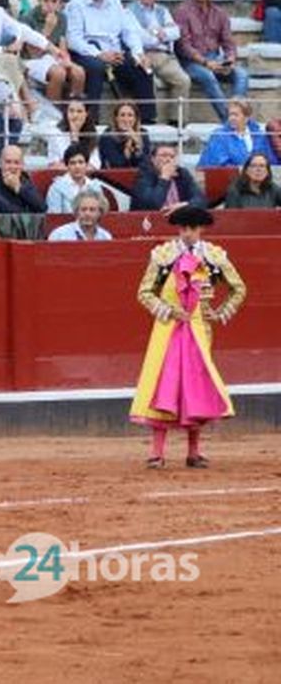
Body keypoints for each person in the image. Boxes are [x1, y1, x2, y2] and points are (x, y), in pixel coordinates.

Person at [129, 205, 245, 469]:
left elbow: (239, 288)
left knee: (196, 386)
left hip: (200, 329)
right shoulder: (164, 255)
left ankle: (194, 452)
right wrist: (170, 311)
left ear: (201, 228)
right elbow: (144, 292)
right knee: (164, 385)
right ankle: (157, 453)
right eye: (182, 228)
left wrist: (220, 313)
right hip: (168, 328)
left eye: (192, 228)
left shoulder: (214, 256)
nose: (187, 233)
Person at [65, 0, 155, 123]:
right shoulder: (76, 6)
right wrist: (100, 54)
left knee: (143, 67)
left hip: (115, 53)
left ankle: (147, 120)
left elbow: (128, 31)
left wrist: (138, 53)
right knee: (96, 67)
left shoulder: (114, 2)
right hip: (88, 53)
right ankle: (92, 121)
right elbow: (74, 40)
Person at [174, 0, 250, 124]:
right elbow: (183, 46)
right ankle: (230, 121)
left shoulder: (220, 13)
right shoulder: (182, 12)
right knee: (208, 76)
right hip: (191, 62)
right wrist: (205, 62)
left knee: (242, 74)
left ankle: (237, 113)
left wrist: (230, 59)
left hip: (215, 58)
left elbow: (228, 42)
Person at [198, 99, 279, 168]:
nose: (232, 118)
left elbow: (271, 161)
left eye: (235, 115)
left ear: (246, 118)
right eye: (230, 115)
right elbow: (220, 163)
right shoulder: (219, 136)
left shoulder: (259, 136)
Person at [133, 143, 206, 211]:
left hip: (179, 216)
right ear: (153, 159)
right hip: (150, 218)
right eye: (164, 155)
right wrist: (164, 178)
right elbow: (153, 205)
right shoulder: (144, 175)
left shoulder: (182, 173)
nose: (168, 160)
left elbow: (201, 199)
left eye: (172, 157)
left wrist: (186, 205)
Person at [0, 144, 45, 214]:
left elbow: (42, 207)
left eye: (16, 162)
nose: (12, 167)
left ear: (22, 165)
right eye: (8, 162)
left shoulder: (24, 179)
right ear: (0, 163)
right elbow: (7, 212)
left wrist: (18, 188)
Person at [46, 144, 108, 213]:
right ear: (67, 166)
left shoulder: (95, 186)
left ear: (87, 164)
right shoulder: (56, 188)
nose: (77, 166)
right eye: (73, 163)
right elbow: (54, 216)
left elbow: (101, 213)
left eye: (81, 162)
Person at [99, 102, 154, 170]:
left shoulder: (143, 133)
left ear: (135, 118)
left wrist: (138, 144)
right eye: (122, 115)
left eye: (130, 115)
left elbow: (145, 163)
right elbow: (117, 164)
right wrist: (128, 144)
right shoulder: (107, 135)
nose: (126, 119)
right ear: (116, 118)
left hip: (139, 174)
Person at [49, 189, 113, 240]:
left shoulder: (105, 237)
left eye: (92, 210)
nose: (87, 214)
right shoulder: (59, 235)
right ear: (77, 212)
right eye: (83, 209)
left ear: (100, 213)